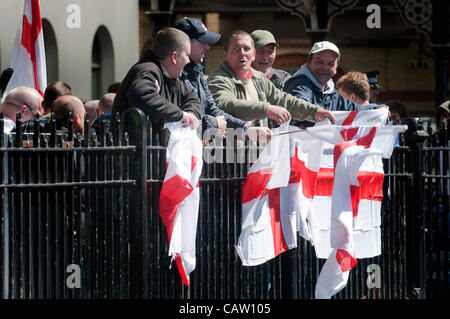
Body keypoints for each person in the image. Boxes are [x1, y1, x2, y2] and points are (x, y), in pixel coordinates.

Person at [207, 30, 335, 128]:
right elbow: (226, 105)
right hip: (230, 155)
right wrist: (267, 109)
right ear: (225, 55)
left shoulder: (257, 77)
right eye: (236, 49)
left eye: (246, 49)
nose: (242, 53)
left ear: (252, 54)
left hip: (258, 150)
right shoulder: (218, 79)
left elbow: (283, 100)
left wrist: (316, 112)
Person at [174, 17, 271, 141]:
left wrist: (247, 128)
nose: (207, 47)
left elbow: (212, 109)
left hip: (194, 150)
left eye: (246, 49)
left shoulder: (197, 74)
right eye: (202, 42)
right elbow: (181, 119)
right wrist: (213, 123)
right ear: (185, 43)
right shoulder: (173, 75)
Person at [112, 27, 202, 145]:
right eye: (186, 55)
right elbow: (142, 95)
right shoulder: (147, 70)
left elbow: (192, 98)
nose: (188, 61)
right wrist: (180, 115)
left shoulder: (171, 78)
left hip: (155, 157)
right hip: (135, 158)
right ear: (174, 57)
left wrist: (189, 116)